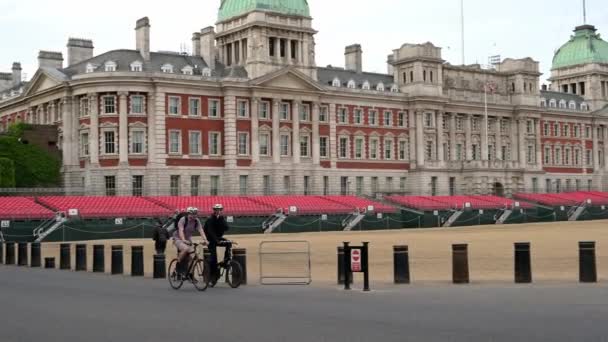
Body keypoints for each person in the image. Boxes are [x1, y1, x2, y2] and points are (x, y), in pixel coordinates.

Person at [173, 207, 208, 278]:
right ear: (189, 214)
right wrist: (183, 239)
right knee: (185, 249)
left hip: (188, 239)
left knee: (192, 258)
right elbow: (181, 230)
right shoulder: (183, 220)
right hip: (178, 238)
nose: (195, 215)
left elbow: (201, 230)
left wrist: (205, 240)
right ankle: (178, 265)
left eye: (196, 214)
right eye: (193, 214)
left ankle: (190, 275)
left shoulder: (196, 221)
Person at [203, 204, 230, 283]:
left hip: (217, 238)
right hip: (210, 239)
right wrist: (216, 240)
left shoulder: (221, 218)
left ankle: (225, 260)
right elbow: (210, 232)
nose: (218, 211)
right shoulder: (210, 219)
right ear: (214, 210)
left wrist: (222, 220)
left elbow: (227, 228)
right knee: (214, 257)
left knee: (228, 243)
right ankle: (212, 275)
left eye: (220, 210)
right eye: (216, 209)